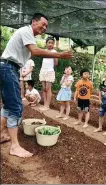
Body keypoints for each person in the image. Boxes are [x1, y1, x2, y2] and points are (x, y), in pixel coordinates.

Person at [0, 13, 72, 158]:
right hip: (8, 68)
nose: (44, 28)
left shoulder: (28, 35)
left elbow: (34, 52)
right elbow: (36, 51)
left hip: (7, 67)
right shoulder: (26, 31)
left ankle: (1, 133)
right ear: (33, 22)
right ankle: (14, 146)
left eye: (46, 26)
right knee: (15, 106)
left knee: (8, 105)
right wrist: (58, 54)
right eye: (43, 24)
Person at [39, 37, 58, 111]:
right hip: (43, 70)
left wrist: (54, 58)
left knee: (48, 88)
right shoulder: (44, 51)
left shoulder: (54, 52)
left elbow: (56, 63)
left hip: (50, 71)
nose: (50, 44)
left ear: (53, 44)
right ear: (46, 43)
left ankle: (47, 106)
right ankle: (45, 105)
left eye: (52, 43)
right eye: (49, 42)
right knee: (44, 89)